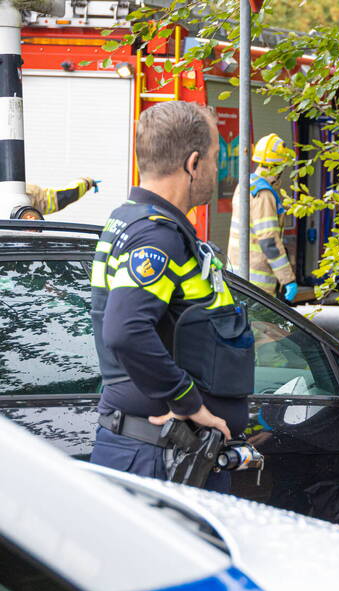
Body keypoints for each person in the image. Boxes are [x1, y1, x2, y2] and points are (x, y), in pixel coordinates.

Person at [89, 101, 253, 490]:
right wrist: (189, 403)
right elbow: (125, 330)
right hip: (161, 458)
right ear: (193, 163)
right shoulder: (155, 235)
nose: (216, 169)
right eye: (215, 158)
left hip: (160, 454)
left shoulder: (131, 221)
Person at [228, 133, 297, 302]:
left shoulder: (246, 184)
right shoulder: (264, 194)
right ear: (278, 167)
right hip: (257, 285)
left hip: (238, 276)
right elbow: (269, 241)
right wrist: (288, 279)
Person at [26, 177, 98, 215]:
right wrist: (87, 183)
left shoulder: (25, 192)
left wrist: (87, 183)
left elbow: (59, 198)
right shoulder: (26, 192)